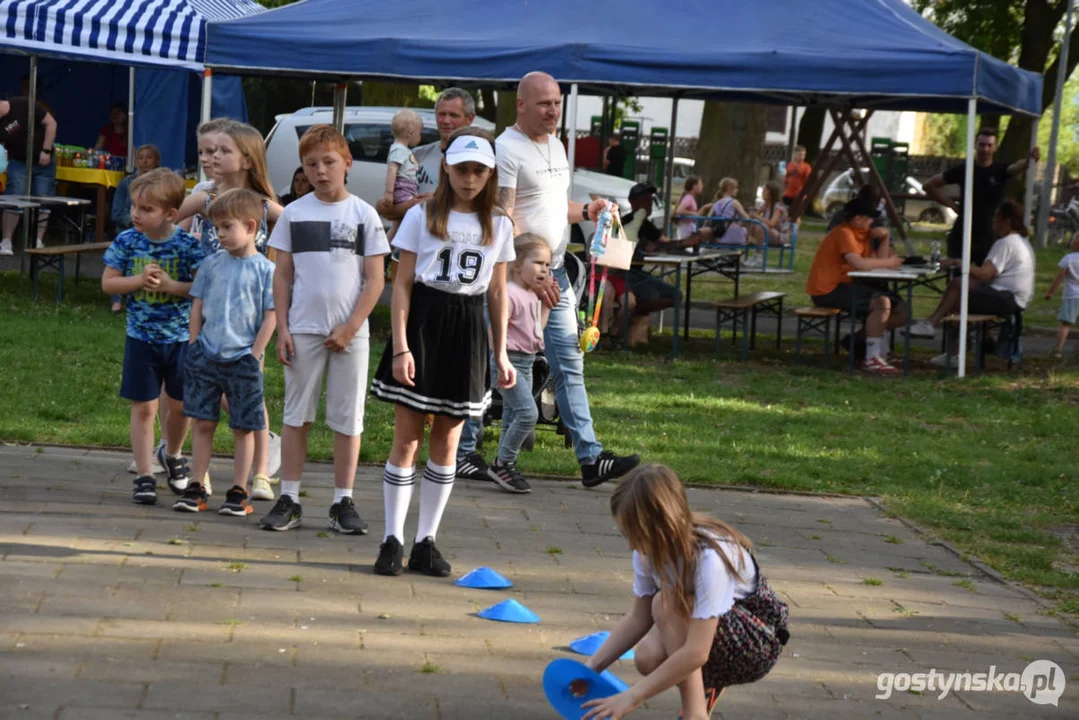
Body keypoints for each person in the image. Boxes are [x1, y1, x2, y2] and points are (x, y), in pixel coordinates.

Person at [456, 71, 639, 488]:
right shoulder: (506, 148)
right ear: (521, 105)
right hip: (517, 278)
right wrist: (527, 272)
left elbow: (553, 206)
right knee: (495, 365)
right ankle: (468, 450)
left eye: (556, 102)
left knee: (568, 365)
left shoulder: (557, 145)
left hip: (553, 272)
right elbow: (503, 216)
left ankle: (590, 458)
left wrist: (586, 211)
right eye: (544, 103)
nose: (553, 110)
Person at [370, 127, 516, 577]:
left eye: (478, 171)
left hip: (468, 327)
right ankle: (392, 538)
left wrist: (502, 352)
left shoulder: (500, 223)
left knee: (448, 439)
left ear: (489, 174)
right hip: (424, 325)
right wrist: (400, 346)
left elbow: (497, 293)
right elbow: (402, 287)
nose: (469, 179)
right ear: (446, 169)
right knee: (408, 437)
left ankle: (425, 541)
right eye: (462, 169)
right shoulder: (422, 215)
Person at [580, 464, 788, 720]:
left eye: (637, 535)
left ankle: (695, 714)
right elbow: (638, 619)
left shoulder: (710, 559)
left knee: (666, 603)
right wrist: (590, 669)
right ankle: (705, 690)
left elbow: (697, 652)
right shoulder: (646, 552)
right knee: (647, 657)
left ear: (663, 526)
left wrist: (631, 697)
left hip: (757, 643)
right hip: (715, 635)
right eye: (626, 534)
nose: (631, 545)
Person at [260, 125, 389, 533]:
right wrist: (282, 328)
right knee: (297, 415)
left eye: (329, 162)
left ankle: (342, 501)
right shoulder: (295, 213)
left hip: (351, 334)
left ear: (347, 163)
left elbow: (376, 279)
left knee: (348, 418)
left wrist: (352, 326)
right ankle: (290, 497)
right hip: (302, 329)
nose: (320, 171)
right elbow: (282, 276)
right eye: (310, 164)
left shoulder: (364, 215)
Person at [176, 121, 283, 500]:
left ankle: (260, 472)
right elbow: (171, 222)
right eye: (209, 151)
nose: (212, 157)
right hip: (208, 307)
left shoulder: (263, 205)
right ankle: (198, 472)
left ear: (248, 158)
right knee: (204, 395)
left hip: (251, 315)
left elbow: (298, 225)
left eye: (223, 151)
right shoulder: (205, 197)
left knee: (251, 395)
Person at [100, 169, 207, 505]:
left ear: (171, 213)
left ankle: (173, 454)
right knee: (144, 406)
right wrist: (137, 281)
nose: (135, 214)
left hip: (180, 340)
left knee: (180, 405)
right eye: (134, 206)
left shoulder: (189, 245)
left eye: (146, 209)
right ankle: (145, 475)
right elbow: (108, 283)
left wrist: (173, 287)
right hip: (141, 338)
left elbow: (203, 289)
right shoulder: (127, 241)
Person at [906, 200, 1035, 367]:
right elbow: (989, 276)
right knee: (959, 292)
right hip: (1013, 297)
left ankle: (932, 325)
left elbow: (986, 273)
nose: (993, 222)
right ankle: (954, 353)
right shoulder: (1020, 240)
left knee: (958, 287)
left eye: (996, 218)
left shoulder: (1005, 243)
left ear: (1006, 221)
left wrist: (959, 263)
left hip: (1008, 298)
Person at [469, 233, 551, 495]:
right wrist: (500, 359)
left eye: (547, 265)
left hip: (526, 362)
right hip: (509, 361)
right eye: (538, 263)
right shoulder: (510, 294)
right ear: (517, 265)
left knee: (513, 416)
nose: (544, 269)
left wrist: (548, 304)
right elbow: (496, 328)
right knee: (529, 414)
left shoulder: (531, 295)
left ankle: (505, 466)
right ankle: (503, 462)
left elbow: (538, 331)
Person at [805, 195, 906, 374]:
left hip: (846, 285)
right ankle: (872, 357)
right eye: (869, 218)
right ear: (858, 218)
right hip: (827, 289)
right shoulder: (844, 233)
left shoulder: (862, 235)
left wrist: (885, 238)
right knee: (881, 302)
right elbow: (860, 263)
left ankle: (857, 342)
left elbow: (877, 261)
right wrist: (890, 263)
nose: (872, 222)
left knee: (902, 310)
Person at [923, 127, 1039, 265]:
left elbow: (1016, 167)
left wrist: (1029, 160)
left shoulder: (1000, 170)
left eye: (989, 145)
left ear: (995, 148)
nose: (985, 149)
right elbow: (929, 186)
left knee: (984, 278)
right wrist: (952, 205)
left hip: (989, 235)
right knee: (957, 278)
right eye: (982, 144)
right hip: (962, 233)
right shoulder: (964, 169)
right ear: (975, 145)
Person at [375, 87, 475, 223]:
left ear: (470, 119)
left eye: (453, 115)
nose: (446, 121)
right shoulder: (415, 155)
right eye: (441, 114)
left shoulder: (480, 162)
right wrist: (415, 204)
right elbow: (385, 210)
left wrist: (436, 202)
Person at [0, 94, 58, 255]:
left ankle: (37, 240)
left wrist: (46, 150)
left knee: (43, 199)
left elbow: (51, 124)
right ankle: (6, 242)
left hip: (43, 161)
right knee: (14, 199)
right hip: (18, 162)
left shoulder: (24, 104)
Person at [110, 144, 163, 313]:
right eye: (141, 157)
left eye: (149, 157)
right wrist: (136, 223)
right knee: (122, 255)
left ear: (156, 161)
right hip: (129, 228)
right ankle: (117, 301)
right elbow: (117, 213)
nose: (144, 161)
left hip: (154, 231)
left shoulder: (162, 184)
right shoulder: (126, 183)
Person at [382, 108, 424, 240]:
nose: (420, 137)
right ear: (411, 133)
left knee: (398, 225)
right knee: (415, 214)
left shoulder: (404, 149)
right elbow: (392, 169)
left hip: (409, 188)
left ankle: (385, 250)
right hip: (403, 189)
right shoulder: (399, 149)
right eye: (420, 133)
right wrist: (389, 193)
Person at [1044, 232, 1079, 359]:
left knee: (1065, 324)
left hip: (1071, 296)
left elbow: (1060, 277)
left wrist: (1050, 292)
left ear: (1074, 244)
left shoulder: (1068, 258)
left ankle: (1058, 350)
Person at [705, 178, 753, 246]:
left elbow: (707, 219)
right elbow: (747, 218)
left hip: (720, 235)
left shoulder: (716, 203)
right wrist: (741, 222)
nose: (737, 190)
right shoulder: (734, 202)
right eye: (736, 188)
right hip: (734, 235)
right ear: (729, 188)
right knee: (744, 229)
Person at [672, 175, 702, 240]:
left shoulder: (690, 198)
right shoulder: (689, 198)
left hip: (687, 227)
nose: (702, 186)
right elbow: (679, 211)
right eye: (700, 184)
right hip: (686, 228)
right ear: (694, 186)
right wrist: (693, 214)